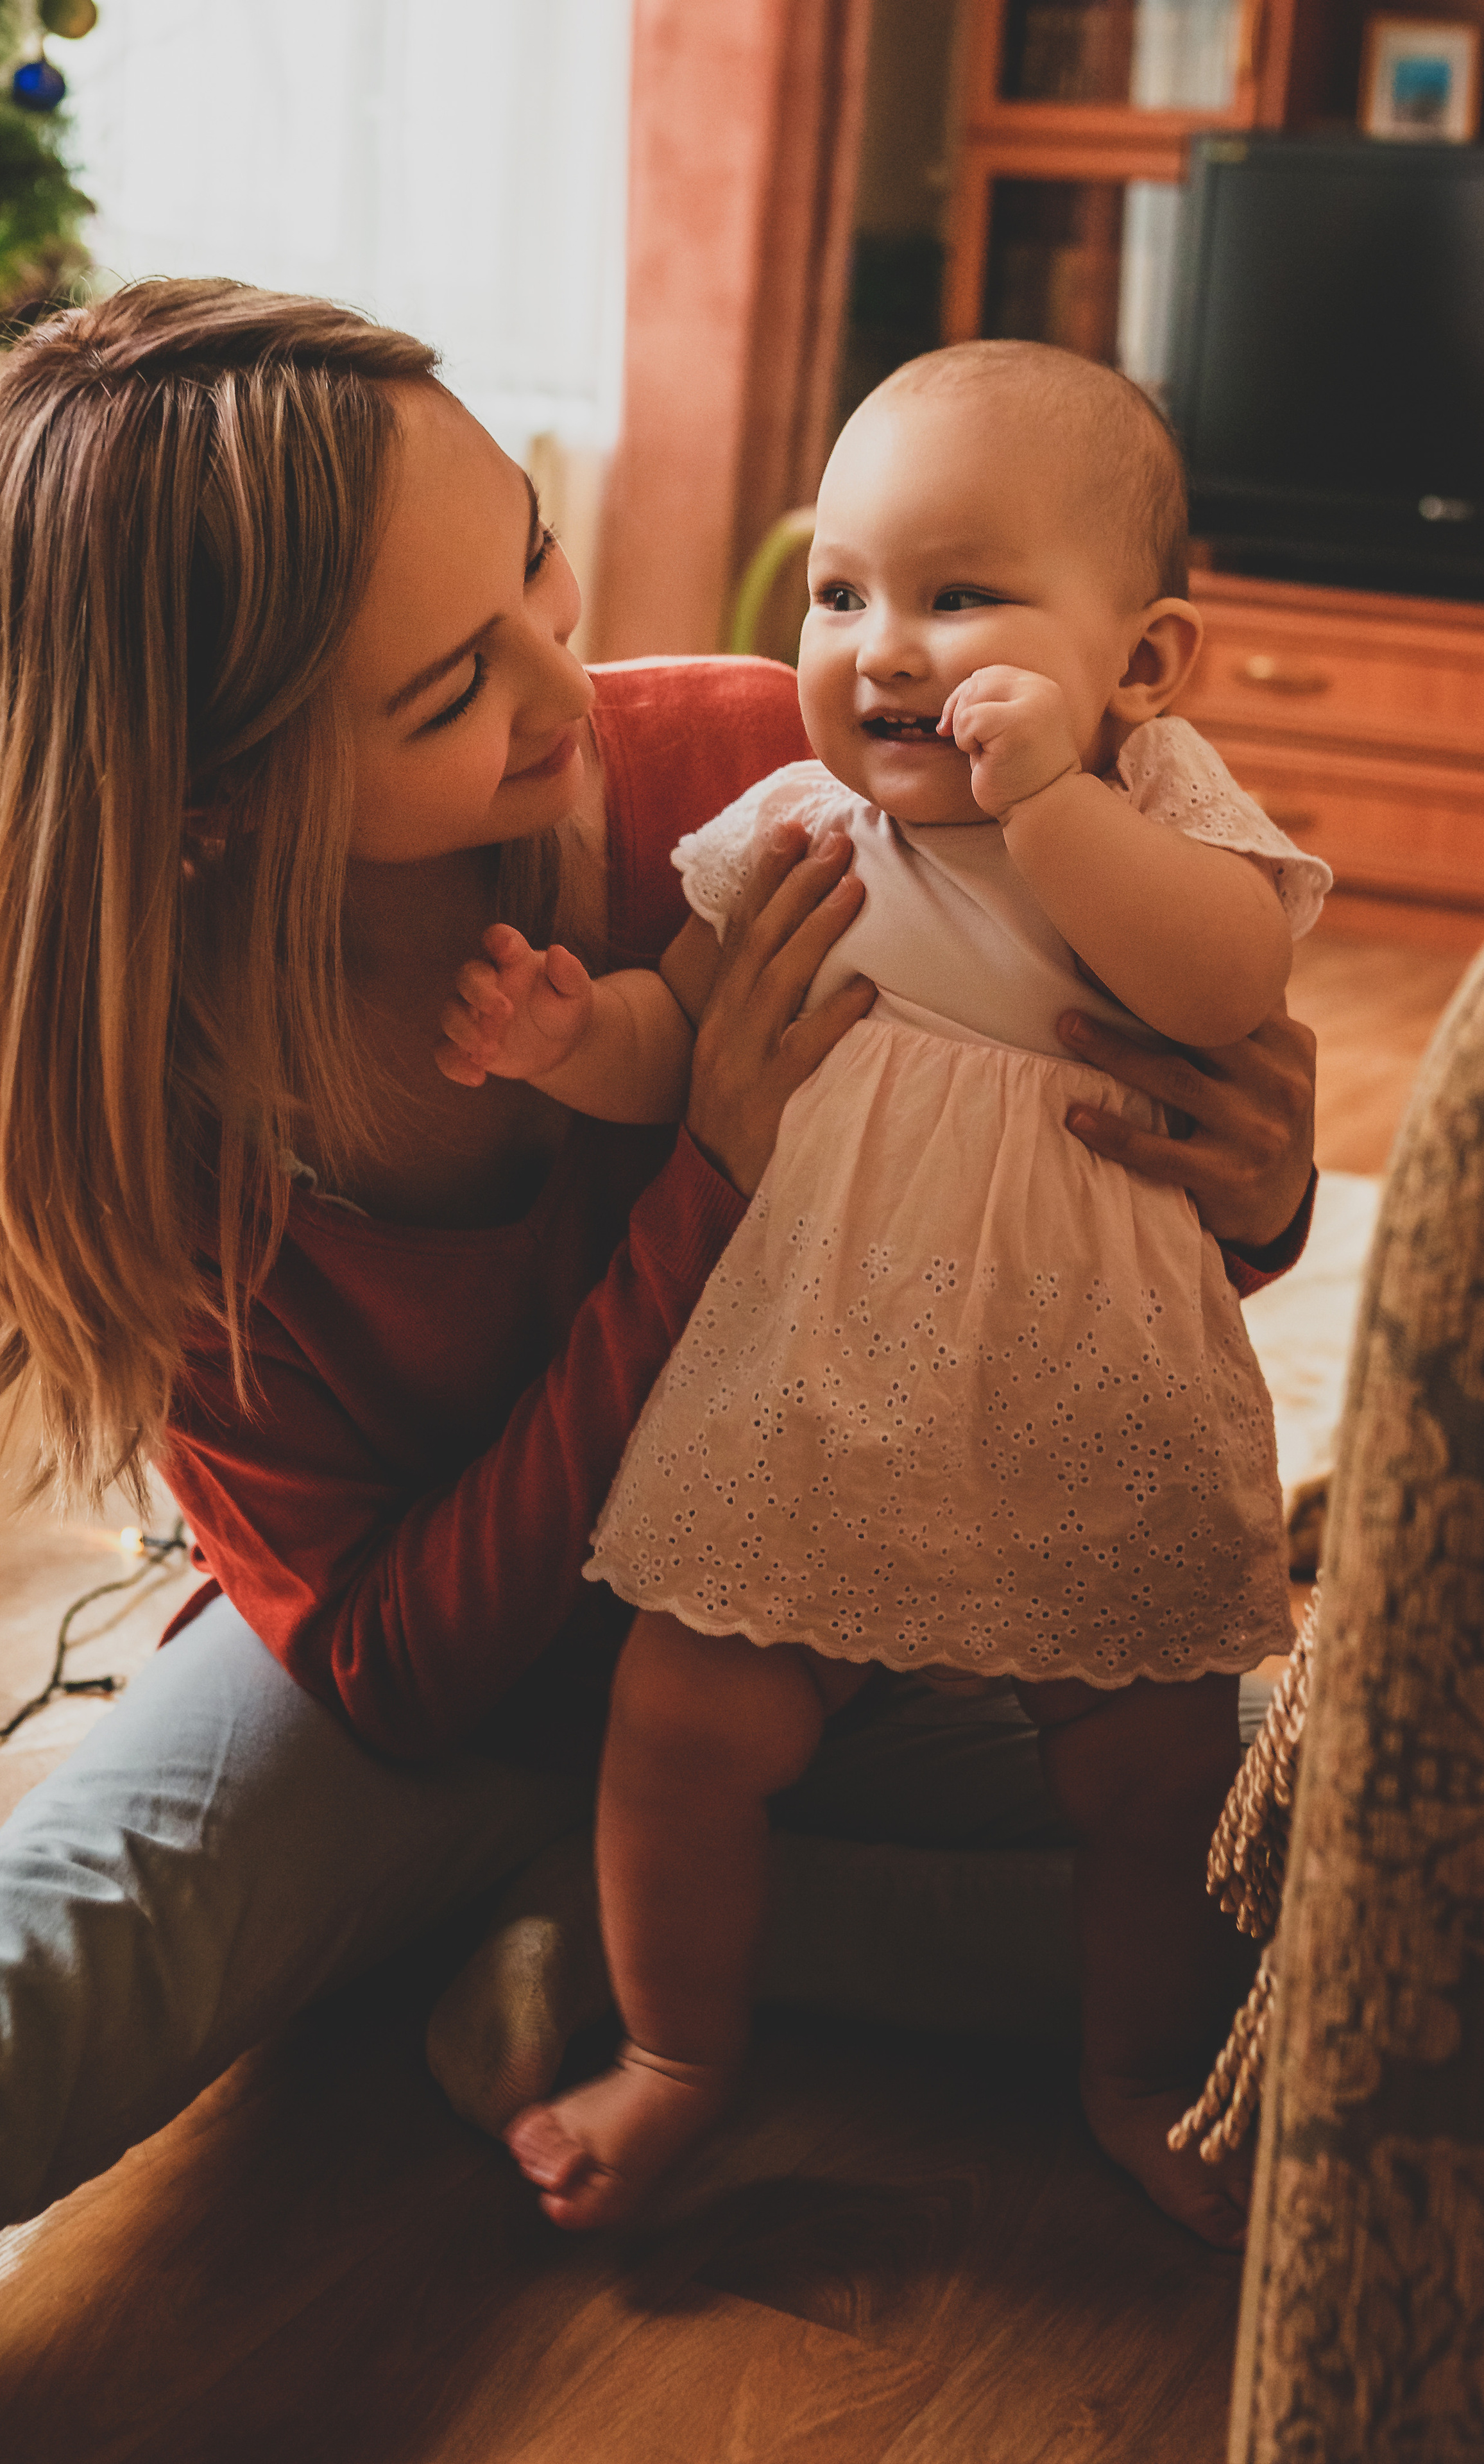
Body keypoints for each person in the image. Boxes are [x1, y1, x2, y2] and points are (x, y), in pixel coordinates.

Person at [0, 286, 1317, 2313]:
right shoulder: (132, 1102)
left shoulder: (762, 767)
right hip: (417, 1719)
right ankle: (626, 1923)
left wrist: (1259, 1187)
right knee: (7, 2000)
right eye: (458, 681)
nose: (572, 680)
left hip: (848, 1593)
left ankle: (624, 1931)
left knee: (1353, 1867)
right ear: (214, 801)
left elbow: (1059, 1213)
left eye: (534, 558)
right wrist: (703, 1186)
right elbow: (396, 1673)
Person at [437, 343, 1330, 2248]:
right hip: (822, 1382)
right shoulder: (800, 828)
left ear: (1146, 663)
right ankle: (676, 2054)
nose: (885, 649)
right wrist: (571, 1038)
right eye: (843, 594)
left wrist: (1054, 805)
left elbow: (1225, 987)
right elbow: (687, 1040)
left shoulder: (1159, 804)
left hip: (1087, 1392)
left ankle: (1139, 2076)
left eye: (961, 594)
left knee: (1158, 1780)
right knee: (683, 1727)